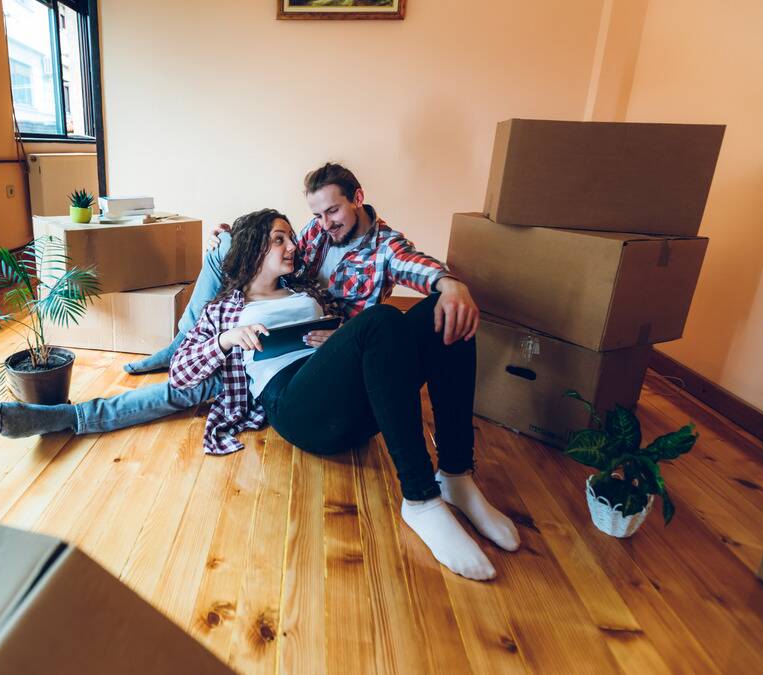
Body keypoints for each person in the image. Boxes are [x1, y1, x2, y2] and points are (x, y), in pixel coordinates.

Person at [0, 162, 481, 439]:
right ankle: (71, 414)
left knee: (174, 389)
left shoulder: (382, 248)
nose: (323, 225)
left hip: (327, 352)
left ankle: (179, 345)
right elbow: (274, 246)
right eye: (317, 214)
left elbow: (417, 265)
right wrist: (238, 248)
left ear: (357, 196)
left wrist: (448, 282)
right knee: (168, 388)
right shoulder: (311, 238)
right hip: (244, 355)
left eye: (332, 210)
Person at [168, 208, 518, 580]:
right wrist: (226, 340)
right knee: (382, 319)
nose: (292, 245)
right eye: (278, 239)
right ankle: (420, 498)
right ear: (253, 248)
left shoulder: (305, 290)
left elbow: (361, 342)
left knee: (444, 308)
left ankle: (455, 474)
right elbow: (180, 374)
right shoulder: (223, 310)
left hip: (345, 398)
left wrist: (339, 337)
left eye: (291, 237)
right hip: (295, 407)